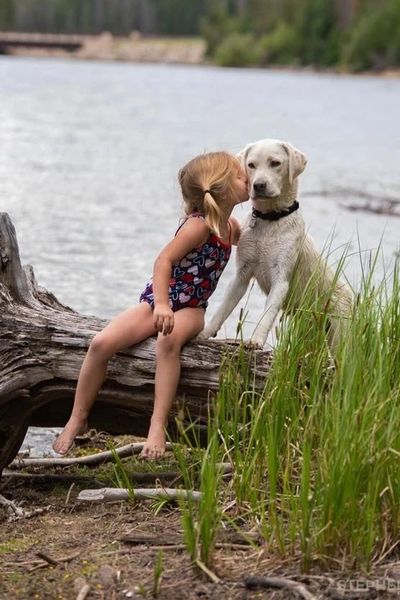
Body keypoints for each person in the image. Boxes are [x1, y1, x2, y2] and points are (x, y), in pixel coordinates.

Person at [52, 151, 248, 459]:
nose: (248, 178)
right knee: (101, 343)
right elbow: (163, 262)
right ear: (220, 188)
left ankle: (156, 426)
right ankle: (78, 416)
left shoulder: (231, 227)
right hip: (158, 301)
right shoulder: (199, 227)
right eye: (239, 175)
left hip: (193, 308)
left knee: (167, 341)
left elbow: (257, 240)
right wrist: (160, 305)